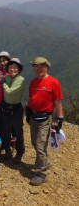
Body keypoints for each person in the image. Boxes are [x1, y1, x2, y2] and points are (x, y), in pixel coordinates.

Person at [27, 57, 64, 186]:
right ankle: (45, 162)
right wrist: (28, 112)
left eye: (41, 67)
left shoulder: (54, 82)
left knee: (40, 145)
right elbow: (32, 99)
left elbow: (58, 102)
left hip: (45, 119)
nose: (38, 69)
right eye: (36, 67)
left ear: (47, 67)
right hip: (33, 117)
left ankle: (41, 173)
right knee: (34, 143)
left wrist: (59, 119)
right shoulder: (33, 82)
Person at [0, 58, 25, 162]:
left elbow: (9, 92)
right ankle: (7, 150)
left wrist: (3, 83)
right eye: (10, 67)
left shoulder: (21, 80)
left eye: (15, 67)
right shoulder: (6, 77)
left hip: (16, 108)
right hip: (5, 107)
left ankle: (20, 151)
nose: (12, 69)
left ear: (19, 70)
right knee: (6, 130)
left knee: (18, 132)